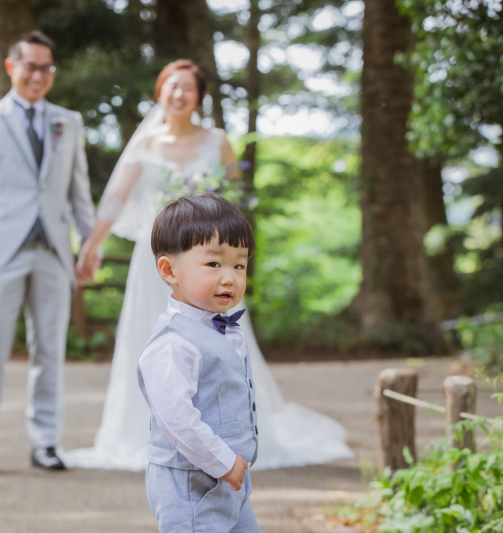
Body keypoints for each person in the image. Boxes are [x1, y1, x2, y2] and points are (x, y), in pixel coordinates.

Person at [65, 60, 353, 471]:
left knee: (218, 336)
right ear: (160, 92)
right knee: (148, 336)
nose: (179, 94)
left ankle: (227, 431)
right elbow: (113, 200)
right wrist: (90, 247)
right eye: (172, 86)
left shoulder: (216, 140)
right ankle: (144, 432)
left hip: (210, 256)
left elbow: (234, 196)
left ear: (199, 97)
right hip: (156, 260)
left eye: (188, 88)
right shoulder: (145, 144)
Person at [0, 30, 96, 476]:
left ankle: (46, 443)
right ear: (11, 67)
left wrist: (89, 245)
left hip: (54, 252)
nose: (38, 75)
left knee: (50, 352)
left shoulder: (68, 122)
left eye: (46, 68)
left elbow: (79, 192)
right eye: (31, 66)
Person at [139, 193, 260, 532]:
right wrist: (223, 463)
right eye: (214, 264)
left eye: (239, 265)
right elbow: (176, 419)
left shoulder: (224, 329)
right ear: (169, 270)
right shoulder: (173, 342)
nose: (229, 277)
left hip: (231, 479)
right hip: (191, 485)